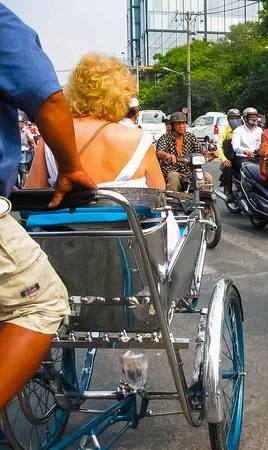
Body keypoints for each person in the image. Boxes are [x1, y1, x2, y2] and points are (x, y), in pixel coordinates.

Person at [0, 4, 97, 410]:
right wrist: (73, 167)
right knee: (38, 302)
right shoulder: (140, 139)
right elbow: (46, 97)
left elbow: (36, 189)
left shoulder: (43, 144)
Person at [27, 53, 165, 190]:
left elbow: (30, 200)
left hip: (67, 212)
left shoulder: (52, 137)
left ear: (74, 91)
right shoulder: (139, 140)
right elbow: (160, 198)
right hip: (124, 212)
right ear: (123, 95)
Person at [155, 111, 204, 191]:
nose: (181, 126)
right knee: (173, 177)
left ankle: (203, 201)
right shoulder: (165, 137)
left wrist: (210, 153)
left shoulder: (190, 137)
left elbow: (200, 150)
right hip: (171, 170)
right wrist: (168, 155)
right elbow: (159, 152)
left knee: (207, 177)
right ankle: (171, 201)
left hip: (189, 171)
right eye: (178, 124)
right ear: (172, 126)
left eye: (183, 123)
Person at [216, 108, 243, 201]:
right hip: (230, 157)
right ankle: (229, 191)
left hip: (243, 158)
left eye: (237, 118)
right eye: (232, 118)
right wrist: (224, 159)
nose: (235, 120)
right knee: (228, 167)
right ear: (228, 119)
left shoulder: (243, 130)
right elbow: (219, 147)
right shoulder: (224, 132)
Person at [231, 107, 262, 173]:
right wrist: (245, 151)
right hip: (243, 158)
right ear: (245, 118)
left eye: (255, 117)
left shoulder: (260, 130)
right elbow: (236, 147)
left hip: (257, 158)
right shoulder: (238, 130)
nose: (254, 119)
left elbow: (263, 145)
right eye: (251, 117)